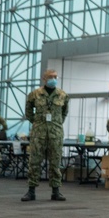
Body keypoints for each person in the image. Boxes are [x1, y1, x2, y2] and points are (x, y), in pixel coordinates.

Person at [21, 70, 70, 201]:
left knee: (55, 162)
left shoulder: (62, 95)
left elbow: (64, 112)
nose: (53, 79)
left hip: (56, 133)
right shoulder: (35, 94)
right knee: (34, 161)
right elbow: (28, 111)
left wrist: (56, 123)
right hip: (39, 133)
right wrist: (37, 122)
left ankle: (56, 191)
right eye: (50, 77)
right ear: (44, 78)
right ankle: (31, 191)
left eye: (55, 77)